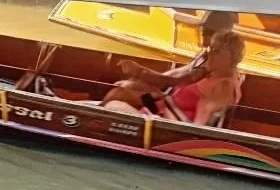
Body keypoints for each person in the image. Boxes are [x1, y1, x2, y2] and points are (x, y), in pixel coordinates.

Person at [103, 29, 246, 127]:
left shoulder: (224, 87)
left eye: (217, 51)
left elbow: (197, 129)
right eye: (211, 49)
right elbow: (172, 78)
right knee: (124, 89)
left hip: (161, 122)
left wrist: (159, 118)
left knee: (114, 103)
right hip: (160, 108)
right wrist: (140, 77)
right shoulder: (211, 71)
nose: (211, 54)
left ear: (231, 57)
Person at [101, 11, 237, 109]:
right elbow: (172, 76)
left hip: (169, 107)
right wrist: (142, 77)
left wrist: (140, 72)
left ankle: (90, 119)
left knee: (118, 93)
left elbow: (173, 81)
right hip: (168, 99)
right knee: (129, 85)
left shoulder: (213, 64)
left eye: (207, 31)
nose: (202, 33)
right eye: (203, 28)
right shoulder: (205, 55)